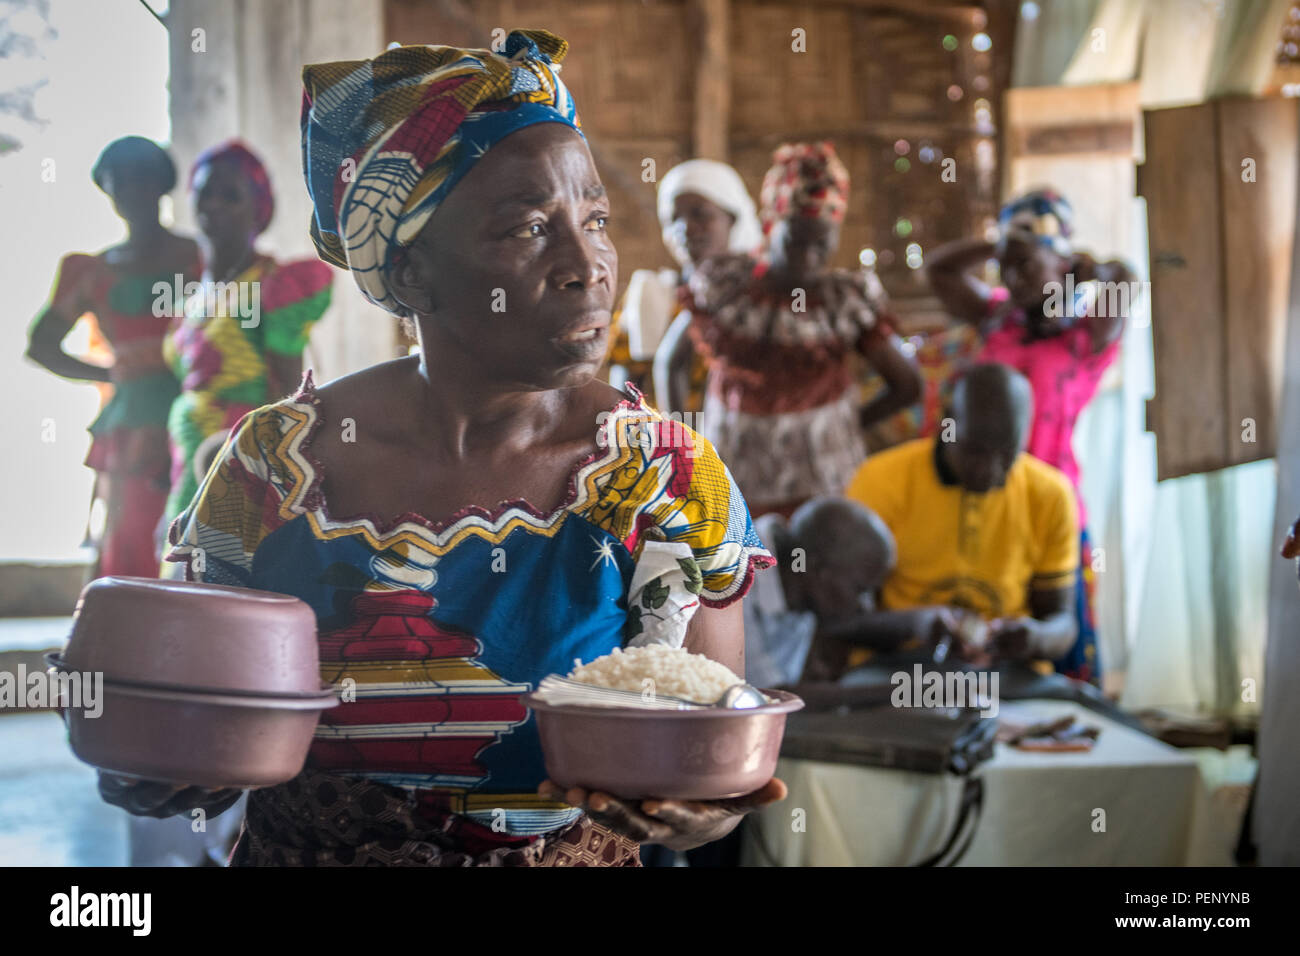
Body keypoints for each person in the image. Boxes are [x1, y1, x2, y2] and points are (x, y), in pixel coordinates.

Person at [99, 29, 784, 867]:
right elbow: (185, 715)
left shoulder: (665, 478)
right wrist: (165, 766)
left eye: (596, 218)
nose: (589, 263)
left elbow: (708, 763)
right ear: (413, 274)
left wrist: (702, 817)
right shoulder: (272, 468)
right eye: (530, 228)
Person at [925, 189, 1135, 685]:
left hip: (1051, 504)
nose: (1012, 276)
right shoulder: (998, 316)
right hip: (986, 496)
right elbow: (939, 270)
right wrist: (1003, 242)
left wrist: (1087, 270)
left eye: (1025, 264)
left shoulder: (1086, 334)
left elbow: (1126, 277)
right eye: (1005, 265)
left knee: (1055, 640)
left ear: (1061, 262)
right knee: (985, 639)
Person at [679, 141, 922, 518]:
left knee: (817, 564)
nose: (809, 257)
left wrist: (844, 426)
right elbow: (673, 362)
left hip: (823, 480)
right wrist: (685, 445)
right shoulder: (726, 288)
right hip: (734, 473)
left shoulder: (844, 302)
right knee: (741, 565)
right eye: (795, 242)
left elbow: (908, 384)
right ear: (769, 226)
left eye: (822, 243)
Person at [26, 136, 198, 578]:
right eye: (118, 183)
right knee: (133, 539)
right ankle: (130, 641)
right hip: (131, 428)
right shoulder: (92, 271)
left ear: (162, 184)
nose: (130, 192)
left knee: (201, 537)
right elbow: (42, 345)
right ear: (108, 192)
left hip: (203, 411)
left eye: (141, 179)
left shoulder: (201, 257)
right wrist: (111, 373)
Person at [840, 363, 1079, 673]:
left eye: (1006, 454)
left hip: (1005, 674)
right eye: (975, 451)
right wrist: (916, 625)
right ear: (946, 425)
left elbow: (1062, 624)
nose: (989, 470)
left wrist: (1034, 638)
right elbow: (841, 621)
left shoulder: (1051, 494)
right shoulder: (880, 480)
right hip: (899, 669)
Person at [162, 140, 333, 525]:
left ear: (259, 210)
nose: (214, 205)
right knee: (176, 572)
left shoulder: (276, 287)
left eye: (231, 196)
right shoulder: (191, 299)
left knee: (219, 574)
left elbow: (290, 399)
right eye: (205, 193)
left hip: (240, 463)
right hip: (185, 464)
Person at [604, 159, 761, 411]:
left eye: (700, 214)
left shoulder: (760, 297)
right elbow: (623, 400)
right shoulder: (650, 295)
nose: (685, 228)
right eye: (674, 218)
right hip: (663, 447)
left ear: (733, 218)